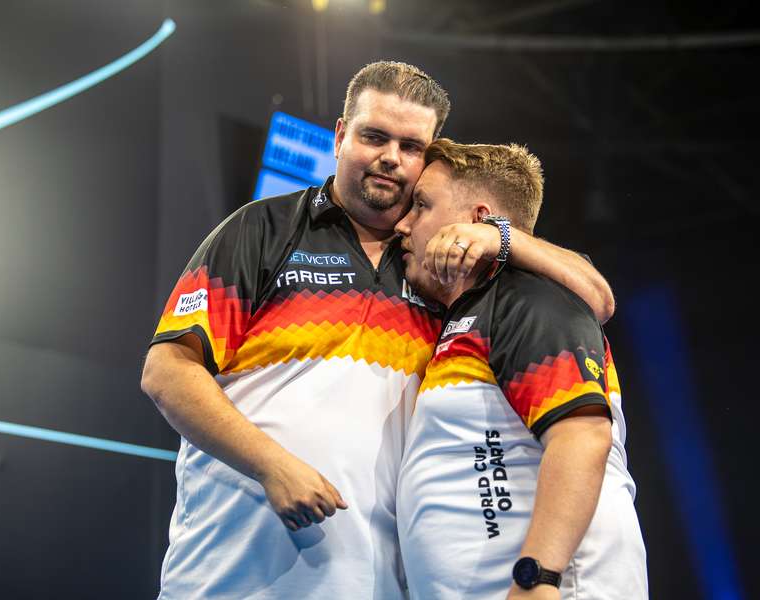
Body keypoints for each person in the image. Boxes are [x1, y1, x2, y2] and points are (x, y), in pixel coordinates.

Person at [140, 61, 615, 599]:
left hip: (381, 585)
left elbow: (596, 297)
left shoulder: (440, 272)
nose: (391, 157)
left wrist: (498, 237)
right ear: (341, 137)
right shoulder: (261, 229)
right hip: (229, 575)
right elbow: (167, 371)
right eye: (374, 136)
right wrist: (270, 464)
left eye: (412, 146)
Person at [394, 138, 647, 600]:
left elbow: (583, 436)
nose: (403, 223)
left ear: (476, 220)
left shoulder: (530, 297)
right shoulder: (471, 315)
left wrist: (538, 578)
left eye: (421, 206)